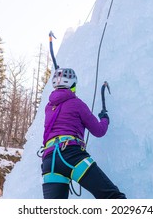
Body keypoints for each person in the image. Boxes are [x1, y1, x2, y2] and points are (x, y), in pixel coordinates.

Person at [40, 67, 126, 199]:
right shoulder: (76, 103)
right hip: (72, 156)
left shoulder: (49, 107)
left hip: (49, 161)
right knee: (112, 197)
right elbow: (99, 131)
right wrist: (104, 119)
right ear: (73, 85)